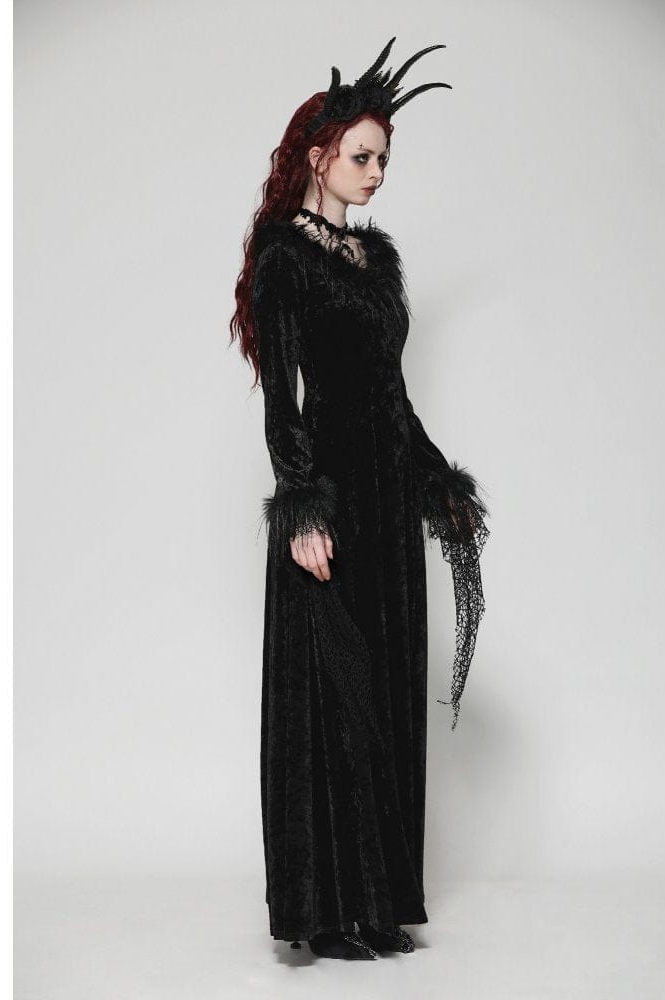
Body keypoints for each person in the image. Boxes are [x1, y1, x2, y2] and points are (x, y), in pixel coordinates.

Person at [229, 37, 490, 961]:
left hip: (386, 501)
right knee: (330, 699)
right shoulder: (282, 258)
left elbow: (391, 390)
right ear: (318, 155)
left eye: (384, 159)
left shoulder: (378, 260)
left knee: (385, 694)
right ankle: (326, 911)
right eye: (362, 156)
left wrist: (435, 477)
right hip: (333, 495)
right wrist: (301, 503)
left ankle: (380, 903)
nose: (377, 173)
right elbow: (282, 396)